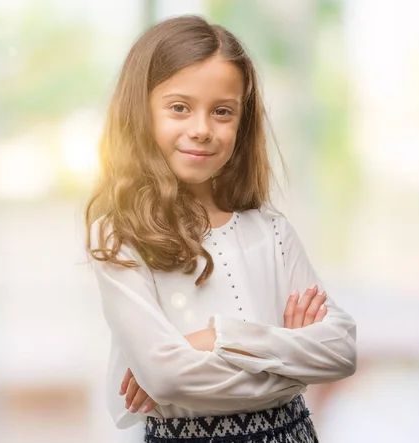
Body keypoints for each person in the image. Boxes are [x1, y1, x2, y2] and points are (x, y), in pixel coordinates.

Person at [85, 15, 357, 443]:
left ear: (241, 123)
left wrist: (212, 338)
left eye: (222, 112)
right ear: (140, 111)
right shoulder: (119, 237)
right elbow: (167, 378)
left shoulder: (272, 232)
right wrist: (290, 361)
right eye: (179, 107)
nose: (201, 129)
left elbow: (340, 350)